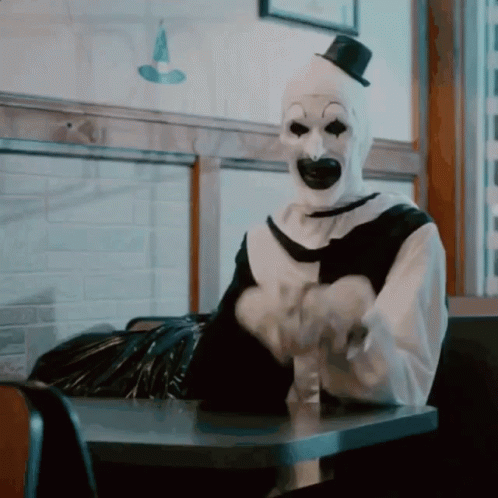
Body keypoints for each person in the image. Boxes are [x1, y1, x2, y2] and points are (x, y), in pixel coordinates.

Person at [186, 35, 448, 410]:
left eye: (335, 128)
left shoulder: (408, 234)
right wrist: (250, 322)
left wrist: (352, 333)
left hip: (372, 447)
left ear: (364, 137)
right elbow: (209, 384)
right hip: (276, 445)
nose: (315, 150)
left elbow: (407, 389)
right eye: (298, 129)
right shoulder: (264, 242)